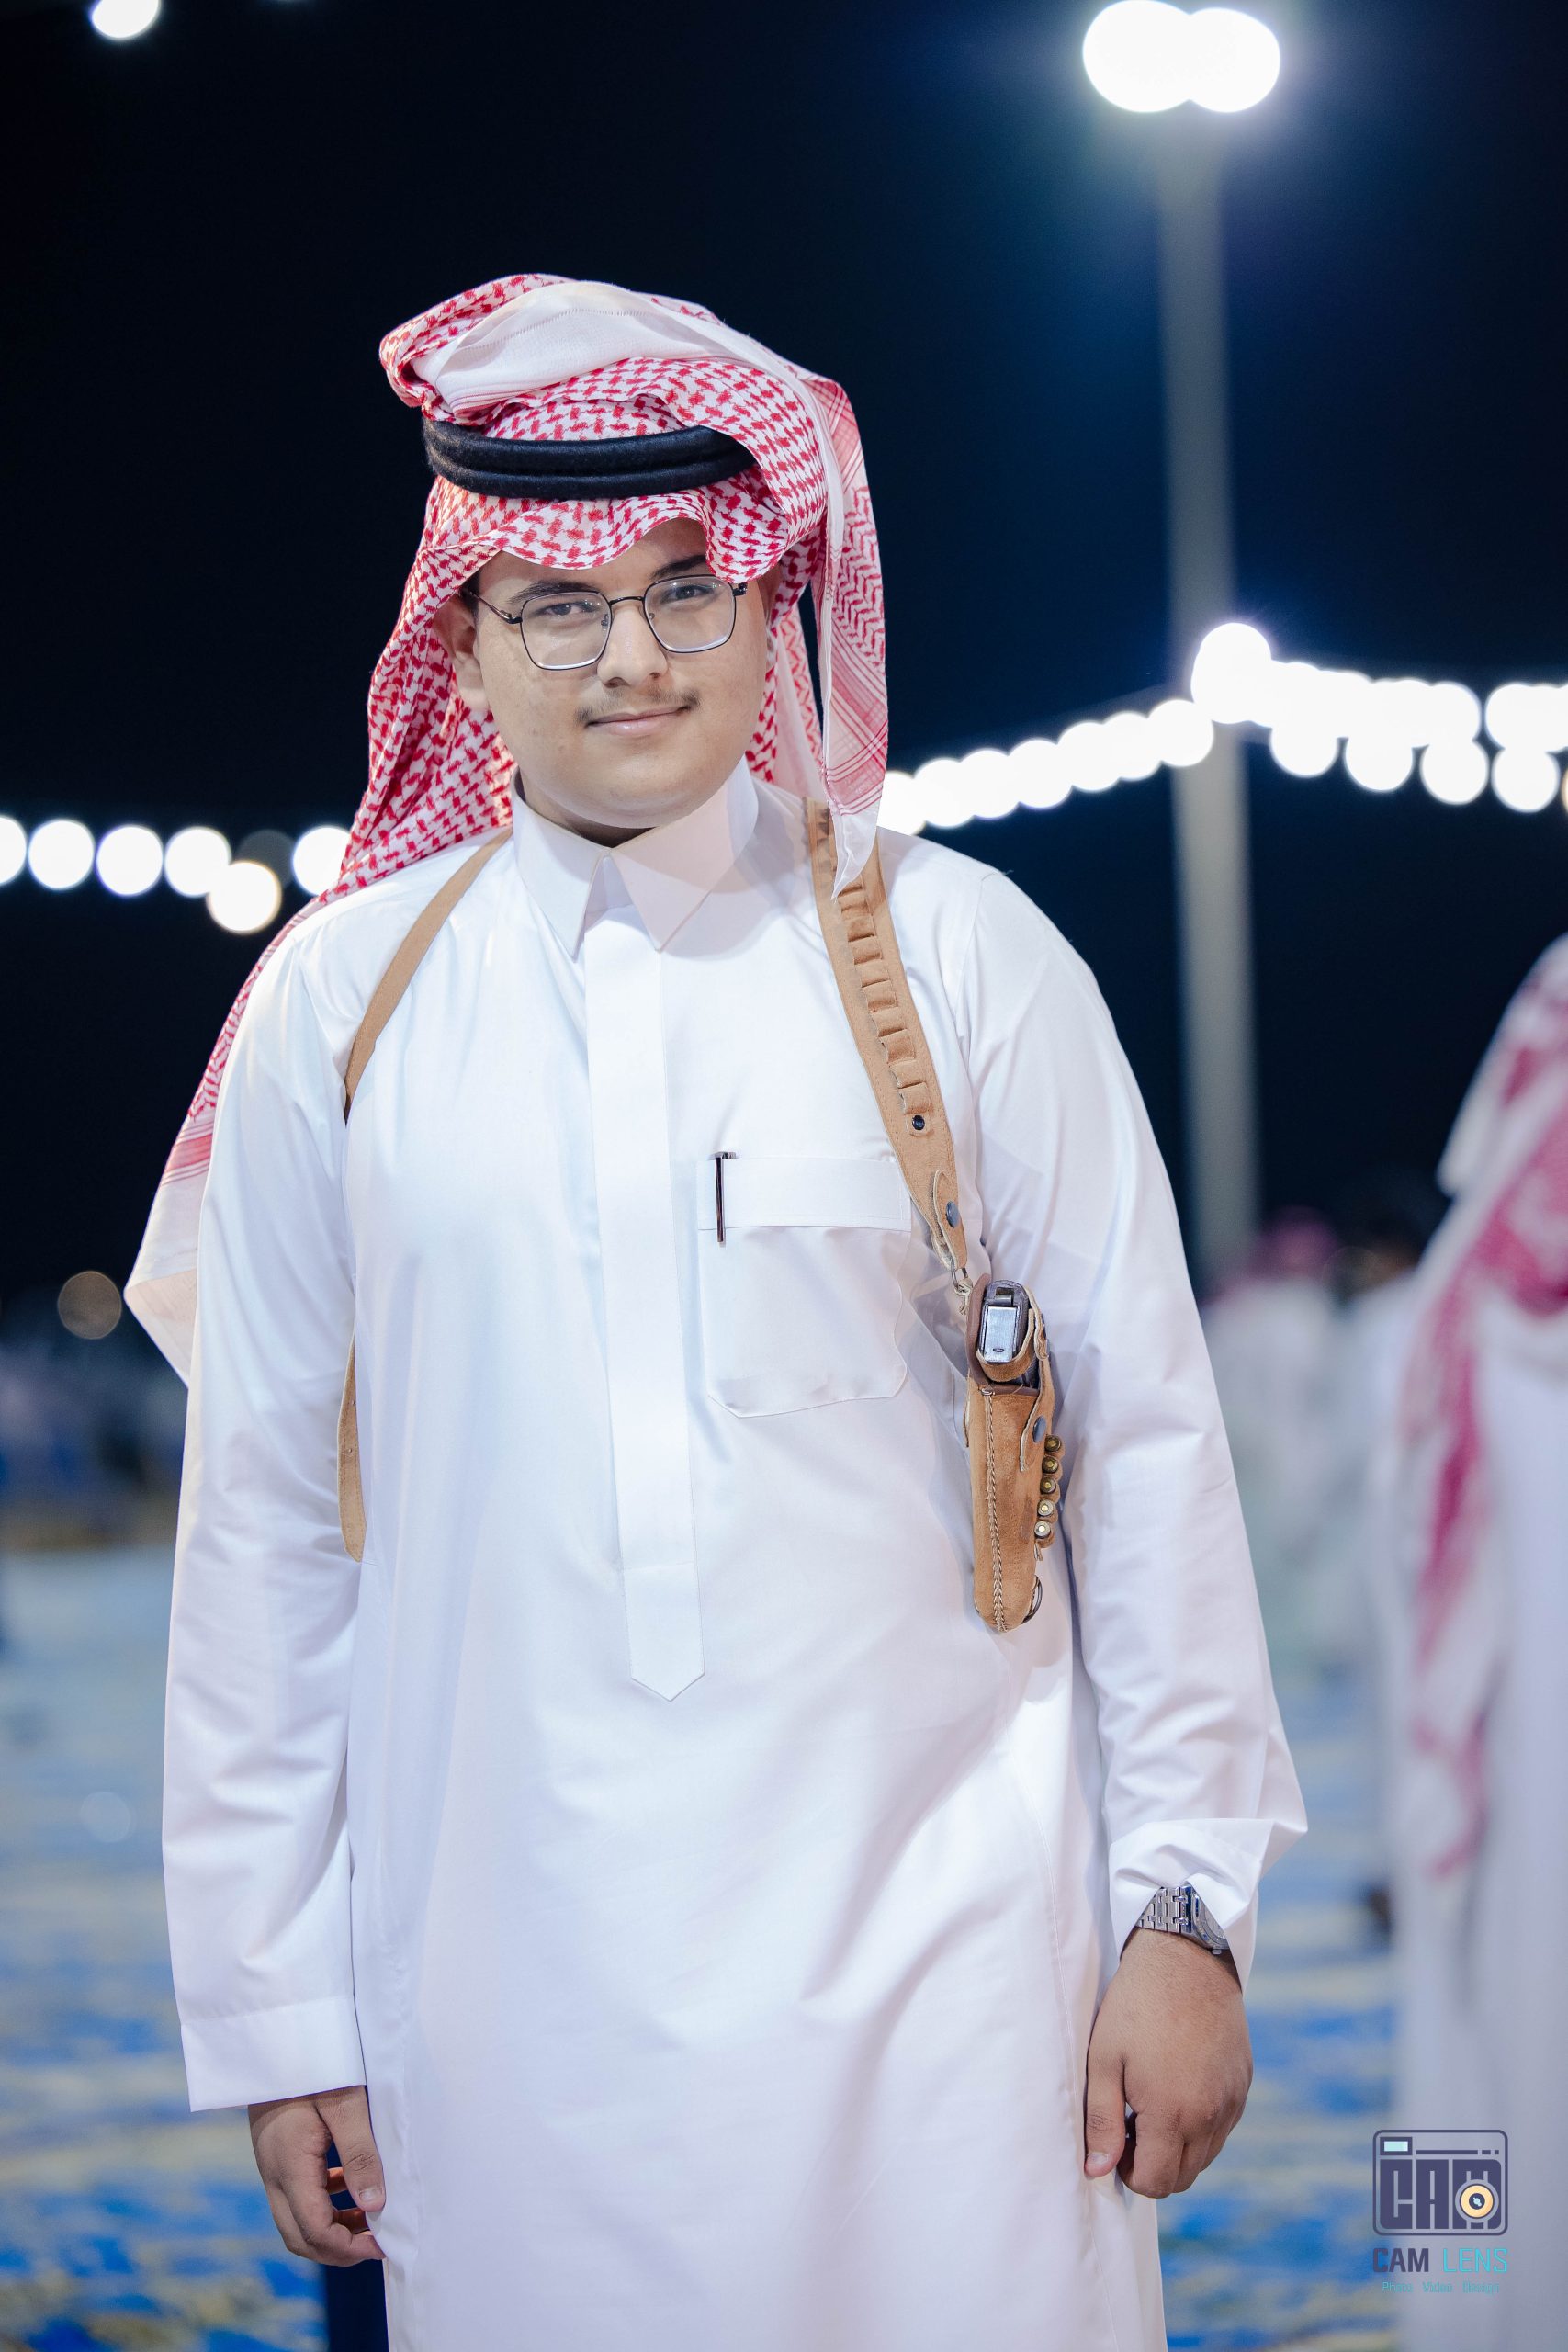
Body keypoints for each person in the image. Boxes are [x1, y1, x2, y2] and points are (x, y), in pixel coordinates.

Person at [127, 272, 1305, 2352]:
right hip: (503, 2012)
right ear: (460, 642)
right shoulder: (344, 1003)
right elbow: (265, 1545)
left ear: (772, 611)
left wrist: (1187, 1909)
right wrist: (277, 2003)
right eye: (560, 607)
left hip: (962, 2005)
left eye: (688, 590)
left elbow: (1142, 1447)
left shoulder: (960, 957)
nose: (633, 655)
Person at [1383, 941, 1568, 2350]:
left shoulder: (1437, 1326)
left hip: (1476, 1805)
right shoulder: (1463, 1332)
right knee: (1460, 2039)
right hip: (1483, 1799)